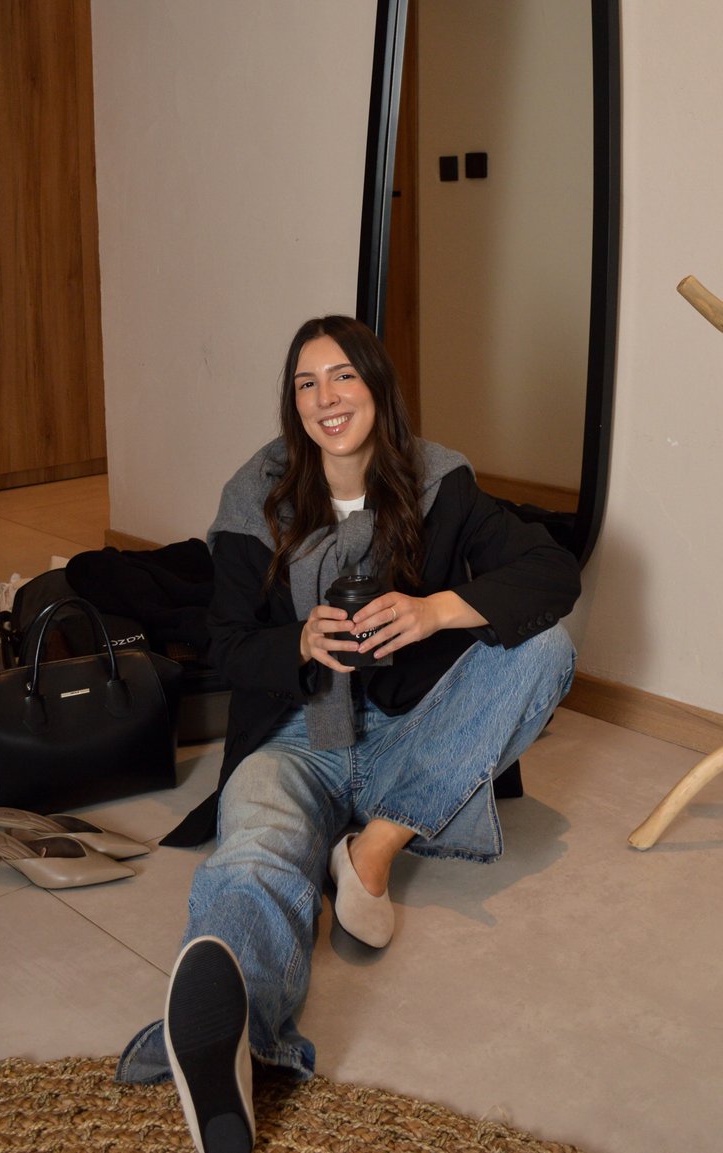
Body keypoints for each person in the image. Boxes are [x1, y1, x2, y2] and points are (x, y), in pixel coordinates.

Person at [116, 315, 581, 1153]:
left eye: (343, 378)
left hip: (409, 728)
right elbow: (221, 641)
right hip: (299, 732)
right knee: (256, 847)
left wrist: (434, 608)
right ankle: (239, 1037)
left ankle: (373, 849)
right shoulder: (254, 492)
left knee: (546, 648)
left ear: (376, 386)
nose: (326, 398)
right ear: (292, 404)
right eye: (306, 384)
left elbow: (552, 572)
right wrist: (296, 640)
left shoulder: (439, 478)